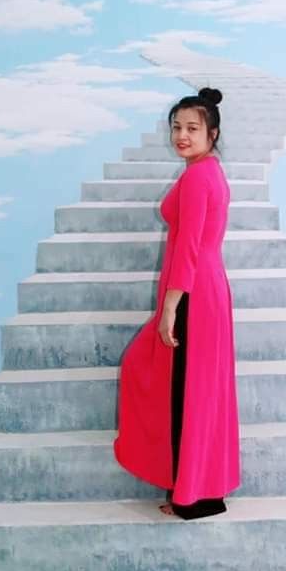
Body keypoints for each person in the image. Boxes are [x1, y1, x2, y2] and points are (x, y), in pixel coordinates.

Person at [113, 87, 241, 519]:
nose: (182, 136)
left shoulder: (196, 177)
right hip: (208, 289)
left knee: (187, 389)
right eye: (176, 127)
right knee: (198, 389)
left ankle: (193, 497)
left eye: (192, 128)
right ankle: (201, 491)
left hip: (194, 292)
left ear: (213, 132)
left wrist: (170, 307)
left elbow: (187, 247)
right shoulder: (210, 173)